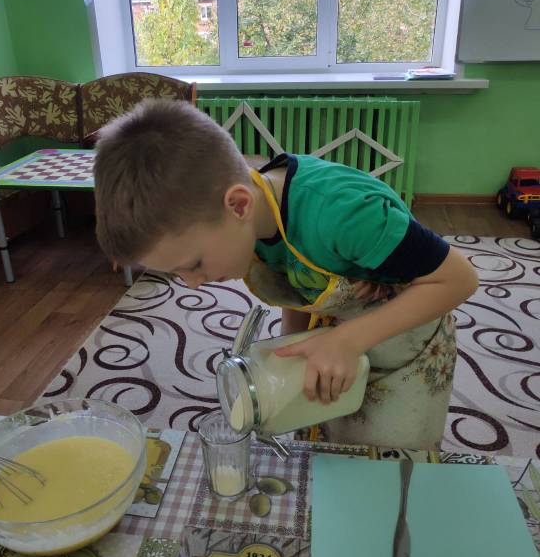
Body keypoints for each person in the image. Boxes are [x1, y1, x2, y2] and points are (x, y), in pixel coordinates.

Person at [93, 99, 478, 450]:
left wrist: (348, 340)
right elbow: (297, 281)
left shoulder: (344, 216)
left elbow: (460, 279)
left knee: (390, 458)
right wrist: (292, 346)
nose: (192, 283)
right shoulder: (253, 223)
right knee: (333, 444)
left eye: (193, 265)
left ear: (238, 205)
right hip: (340, 332)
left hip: (408, 338)